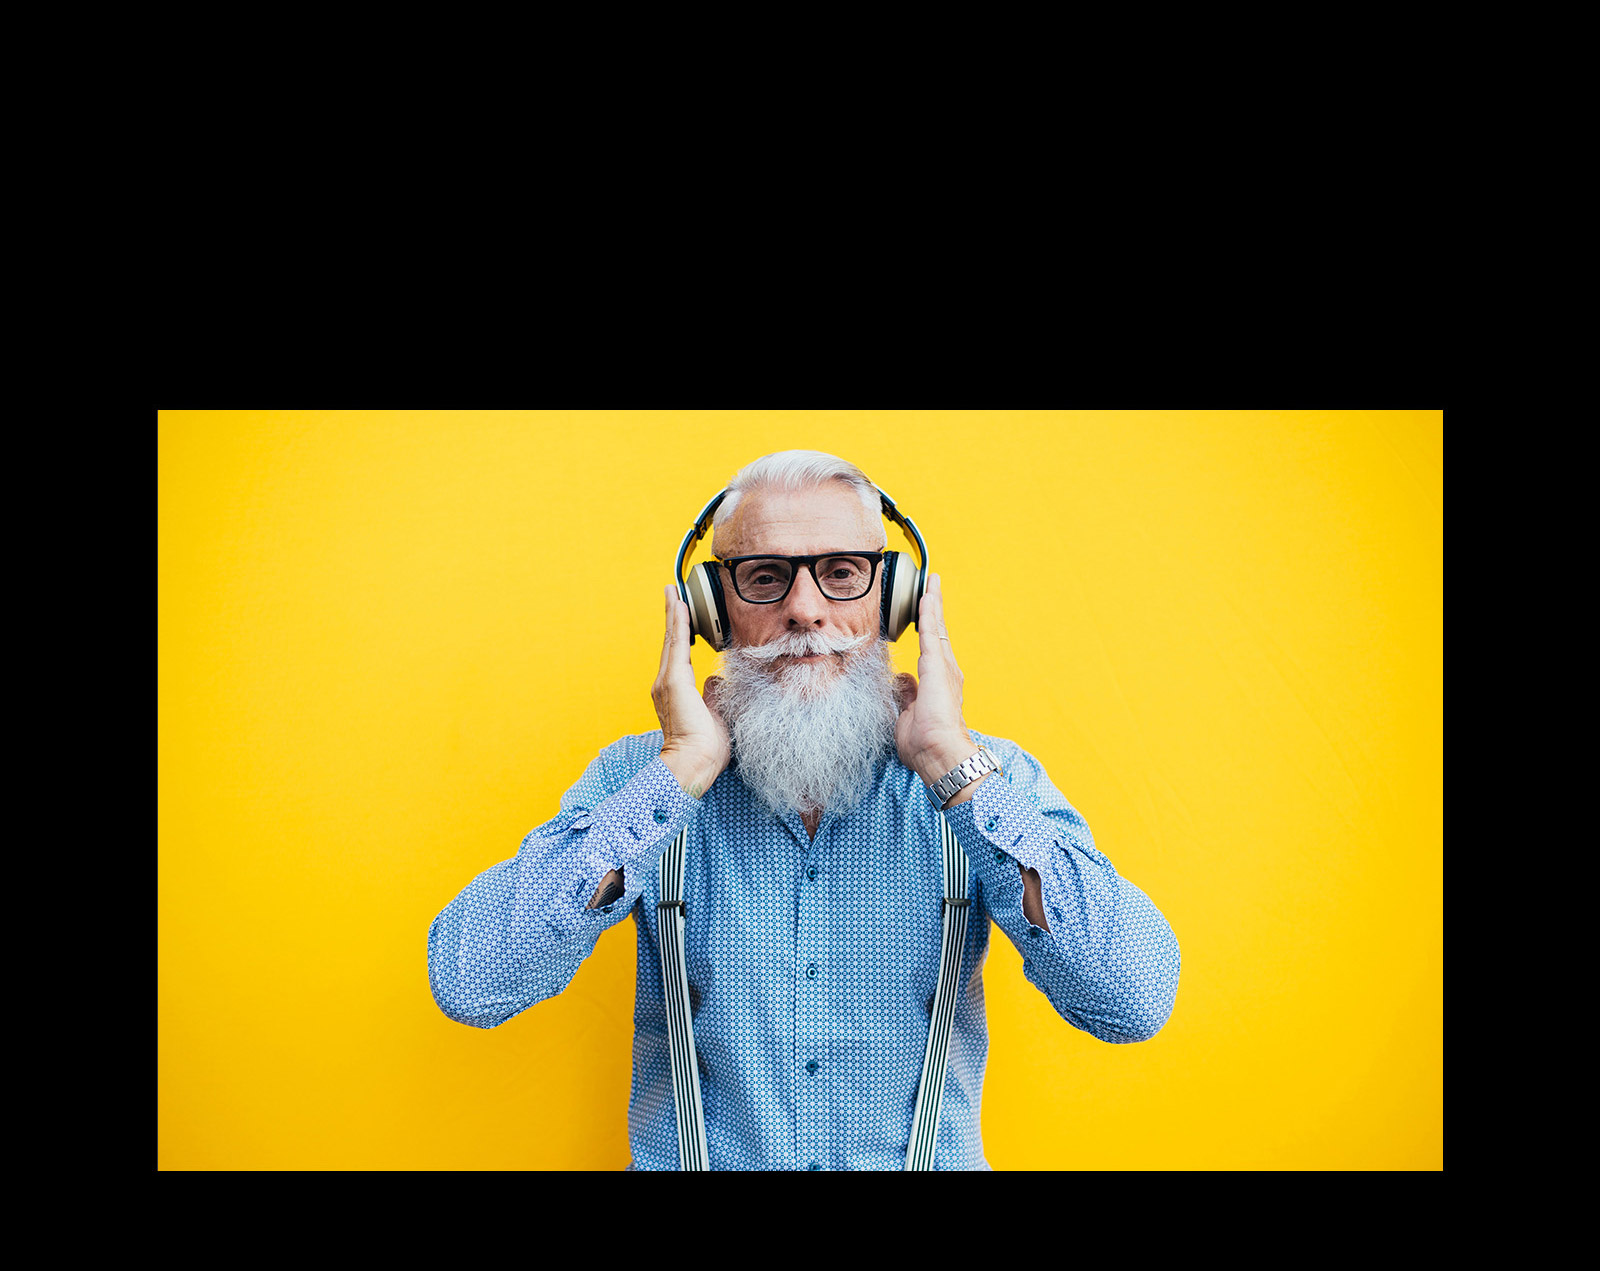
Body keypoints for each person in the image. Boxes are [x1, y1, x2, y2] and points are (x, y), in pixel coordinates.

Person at [428, 450, 1181, 1170]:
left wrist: (954, 767)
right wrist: (678, 773)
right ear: (712, 612)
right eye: (764, 577)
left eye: (843, 573)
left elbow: (1133, 997)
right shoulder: (640, 779)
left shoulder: (988, 779)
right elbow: (470, 980)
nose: (805, 610)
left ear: (894, 601)